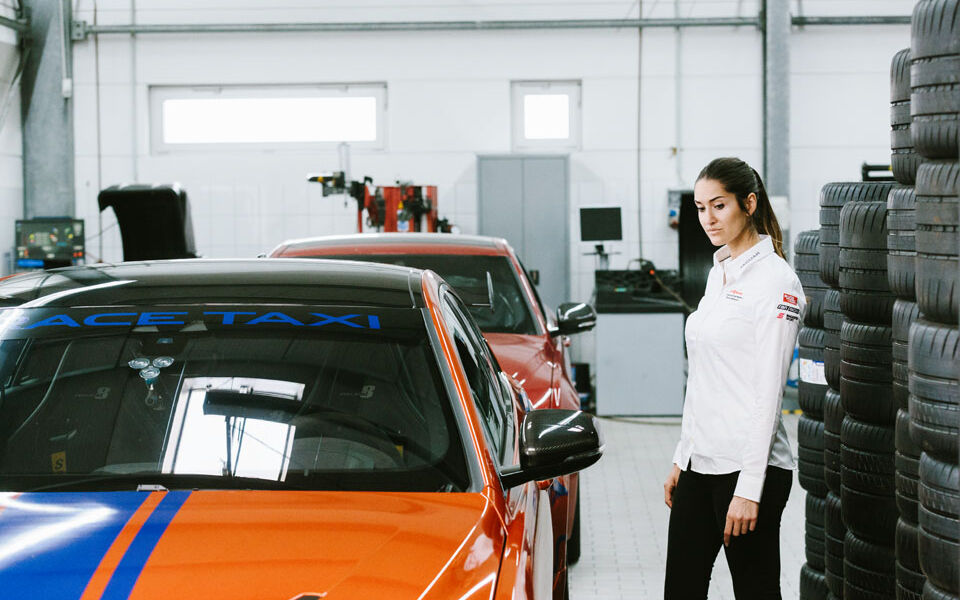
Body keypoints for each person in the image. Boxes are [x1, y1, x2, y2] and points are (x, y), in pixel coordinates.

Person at [662, 157, 804, 599]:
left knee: (756, 592)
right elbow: (703, 376)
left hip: (749, 469)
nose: (708, 218)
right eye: (701, 208)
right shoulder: (718, 272)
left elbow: (768, 394)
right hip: (699, 464)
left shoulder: (777, 282)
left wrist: (749, 490)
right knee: (681, 590)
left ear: (749, 203)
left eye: (718, 206)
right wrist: (682, 454)